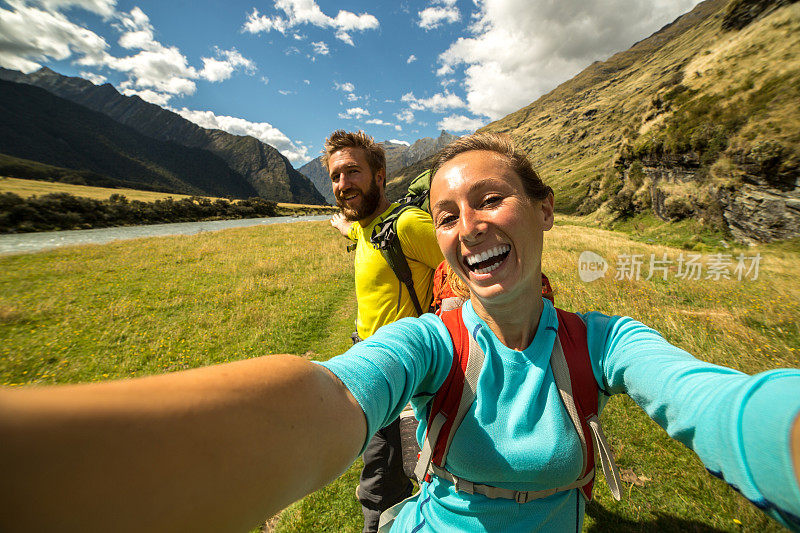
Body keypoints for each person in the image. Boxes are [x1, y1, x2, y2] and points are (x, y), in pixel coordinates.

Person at [1, 133, 799, 533]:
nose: (465, 226)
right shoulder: (433, 345)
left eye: (491, 200)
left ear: (545, 210)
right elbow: (326, 395)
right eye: (449, 213)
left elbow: (723, 403)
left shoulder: (607, 343)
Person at [322, 130, 444, 532]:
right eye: (336, 176)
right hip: (366, 357)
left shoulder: (407, 225)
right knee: (392, 465)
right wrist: (344, 225)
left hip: (402, 371)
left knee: (380, 478)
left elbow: (468, 265)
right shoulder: (364, 227)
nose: (343, 185)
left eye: (352, 172)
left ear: (379, 175)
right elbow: (356, 231)